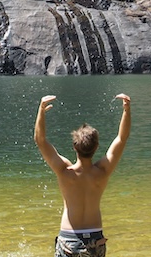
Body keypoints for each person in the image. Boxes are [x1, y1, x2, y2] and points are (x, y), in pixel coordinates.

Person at [33, 93, 132, 257]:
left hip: (69, 240)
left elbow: (40, 140)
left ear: (74, 147)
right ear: (96, 147)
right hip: (95, 239)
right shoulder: (102, 171)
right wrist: (126, 109)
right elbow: (122, 138)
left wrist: (41, 110)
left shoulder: (64, 171)